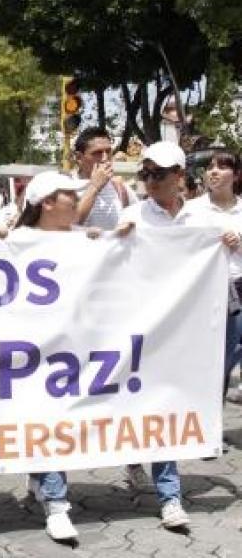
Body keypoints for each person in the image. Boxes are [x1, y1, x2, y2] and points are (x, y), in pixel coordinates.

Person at [117, 141, 205, 530]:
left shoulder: (202, 220)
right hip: (140, 327)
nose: (151, 181)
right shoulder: (134, 214)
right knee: (147, 403)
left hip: (185, 329)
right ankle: (145, 467)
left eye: (160, 174)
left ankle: (169, 495)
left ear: (180, 177)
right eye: (146, 174)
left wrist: (229, 246)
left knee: (166, 406)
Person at [11, 170, 96, 543]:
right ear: (47, 203)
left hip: (75, 349)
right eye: (68, 195)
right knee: (47, 417)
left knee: (59, 421)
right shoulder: (18, 242)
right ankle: (57, 503)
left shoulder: (85, 240)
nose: (76, 200)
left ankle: (41, 480)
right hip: (31, 351)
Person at [180, 152, 242, 403]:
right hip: (204, 292)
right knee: (208, 359)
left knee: (226, 358)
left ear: (236, 175)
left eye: (222, 167)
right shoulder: (191, 210)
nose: (213, 171)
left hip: (237, 289)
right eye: (210, 167)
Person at [74, 127, 138, 229]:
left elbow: (137, 223)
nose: (104, 158)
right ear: (79, 157)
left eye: (108, 151)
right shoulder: (67, 188)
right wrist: (94, 187)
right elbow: (67, 227)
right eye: (97, 153)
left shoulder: (121, 188)